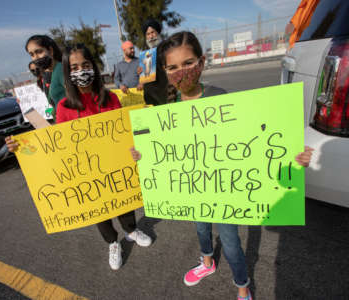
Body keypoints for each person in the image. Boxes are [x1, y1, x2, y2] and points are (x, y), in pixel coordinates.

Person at [130, 31, 314, 300]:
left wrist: (292, 159)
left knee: (230, 241)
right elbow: (163, 150)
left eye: (188, 63)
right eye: (173, 67)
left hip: (224, 190)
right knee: (201, 228)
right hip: (193, 188)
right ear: (165, 71)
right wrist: (141, 155)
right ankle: (207, 262)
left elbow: (251, 142)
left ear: (202, 62)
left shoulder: (220, 97)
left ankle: (242, 286)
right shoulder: (166, 108)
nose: (181, 72)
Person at [6, 43, 152, 271]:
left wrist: (134, 149)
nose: (81, 71)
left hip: (115, 167)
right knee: (98, 209)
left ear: (93, 66)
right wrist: (22, 147)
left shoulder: (111, 99)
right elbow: (56, 144)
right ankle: (113, 242)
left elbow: (125, 134)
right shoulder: (64, 107)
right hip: (87, 172)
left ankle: (131, 230)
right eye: (74, 67)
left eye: (85, 65)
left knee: (123, 201)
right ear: (67, 72)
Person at [25, 35, 66, 113]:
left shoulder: (61, 69)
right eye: (32, 55)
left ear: (50, 50)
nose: (36, 57)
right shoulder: (47, 74)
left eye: (39, 52)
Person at [140, 18, 170, 106]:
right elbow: (147, 78)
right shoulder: (146, 54)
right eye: (148, 34)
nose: (151, 36)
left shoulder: (167, 49)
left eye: (153, 32)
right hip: (152, 100)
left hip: (167, 96)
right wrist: (142, 75)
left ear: (158, 33)